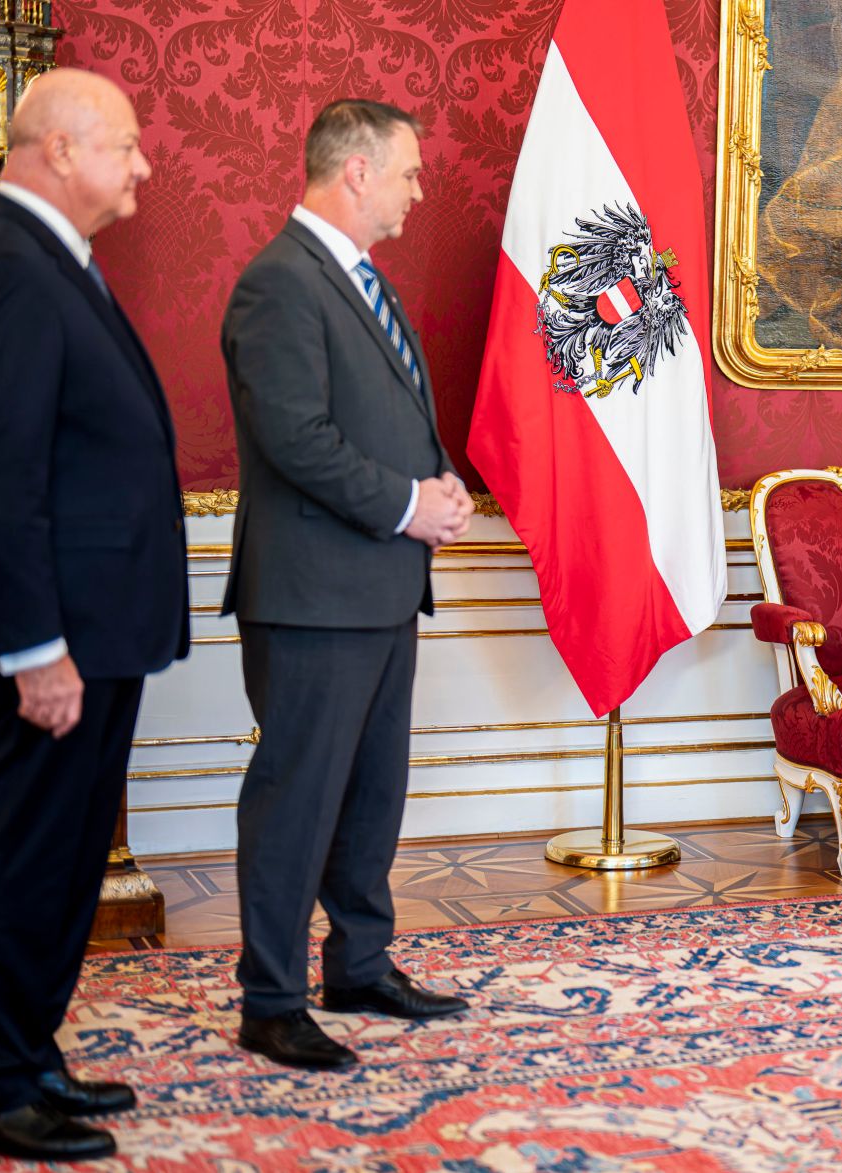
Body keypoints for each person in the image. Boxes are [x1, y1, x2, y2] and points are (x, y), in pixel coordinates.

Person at [0, 69, 189, 1161]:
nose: (141, 166)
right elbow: (2, 480)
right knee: (30, 854)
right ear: (56, 150)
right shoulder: (6, 271)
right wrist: (36, 649)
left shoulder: (50, 263)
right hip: (56, 642)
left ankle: (31, 1056)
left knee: (71, 856)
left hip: (96, 631)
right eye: (124, 146)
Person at [222, 98, 474, 1070]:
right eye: (408, 172)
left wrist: (434, 490)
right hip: (312, 593)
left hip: (376, 586)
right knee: (299, 797)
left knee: (371, 793)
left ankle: (359, 963)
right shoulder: (278, 283)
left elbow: (381, 417)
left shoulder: (361, 280)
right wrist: (410, 504)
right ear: (357, 171)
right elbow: (295, 440)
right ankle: (271, 1000)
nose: (419, 190)